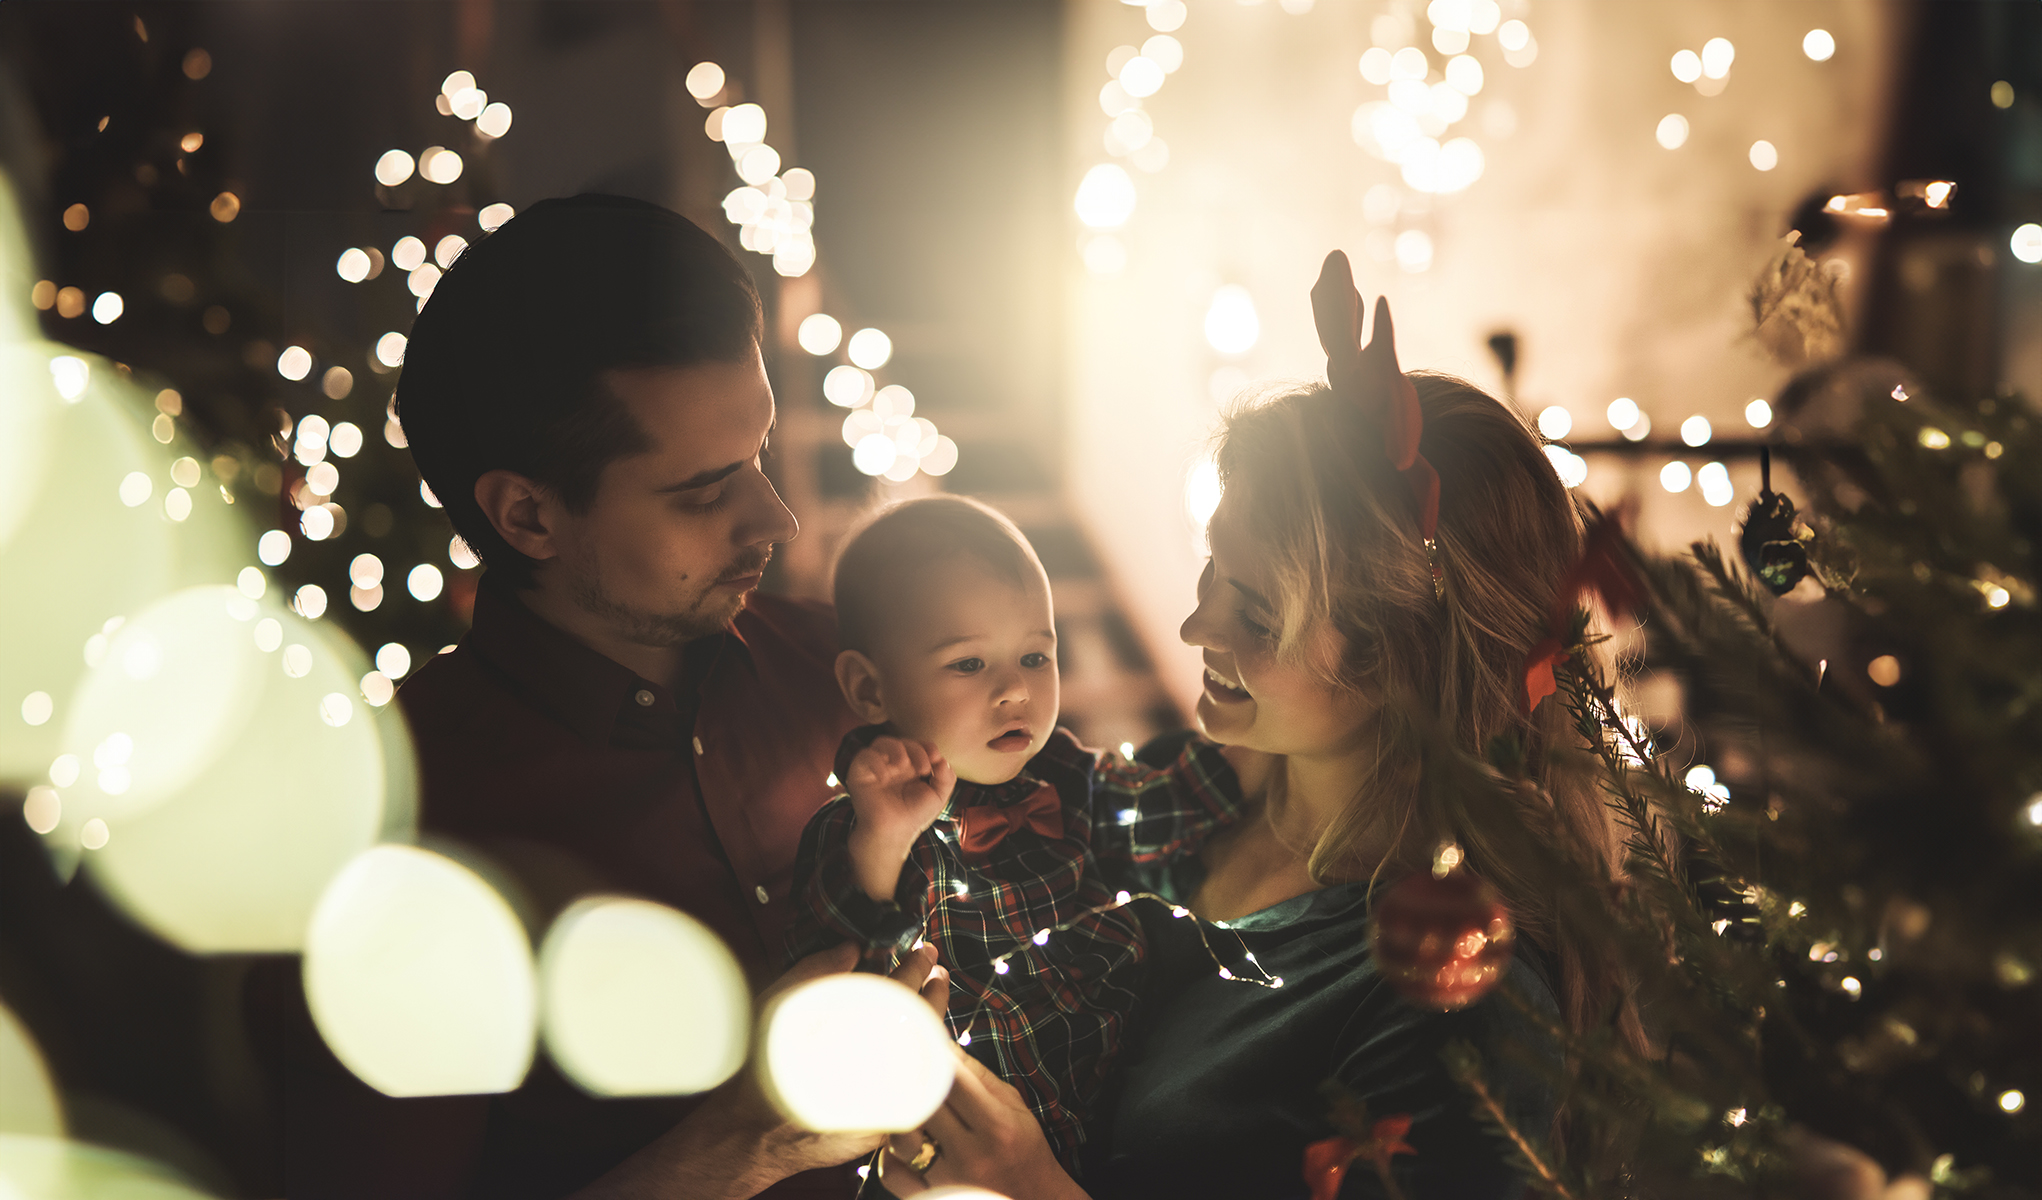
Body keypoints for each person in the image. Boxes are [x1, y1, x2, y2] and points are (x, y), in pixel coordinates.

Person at [871, 254, 1641, 1199]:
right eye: (1211, 572)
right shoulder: (1168, 800)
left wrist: (1028, 1188)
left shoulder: (1457, 996)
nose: (1197, 628)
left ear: (1399, 662)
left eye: (1259, 613)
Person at [276, 194, 938, 1200]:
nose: (776, 515)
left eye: (758, 452)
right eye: (704, 491)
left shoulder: (843, 670)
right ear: (529, 515)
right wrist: (743, 1140)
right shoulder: (399, 836)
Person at [783, 497, 1244, 1176]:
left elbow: (1164, 811)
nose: (1014, 690)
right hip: (968, 1149)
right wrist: (884, 839)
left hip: (1128, 1105)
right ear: (870, 689)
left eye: (1035, 655)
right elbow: (845, 984)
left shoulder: (1066, 775)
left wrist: (1258, 753)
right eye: (969, 664)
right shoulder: (862, 827)